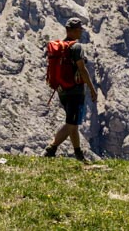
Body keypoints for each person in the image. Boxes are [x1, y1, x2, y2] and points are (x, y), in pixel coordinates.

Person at [44, 17, 98, 161]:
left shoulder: (62, 47)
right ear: (73, 30)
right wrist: (92, 89)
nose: (81, 31)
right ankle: (51, 148)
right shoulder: (76, 47)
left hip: (62, 89)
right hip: (75, 90)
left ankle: (78, 154)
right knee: (71, 123)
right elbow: (82, 69)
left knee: (73, 122)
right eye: (79, 29)